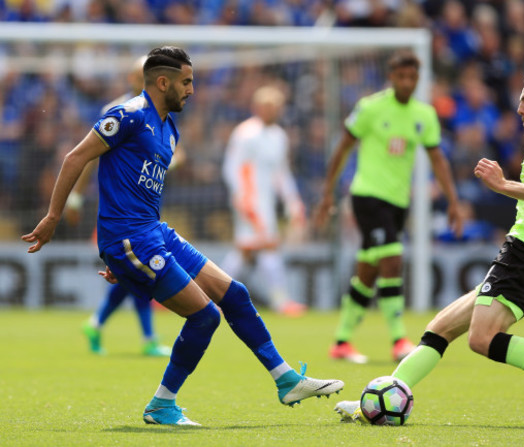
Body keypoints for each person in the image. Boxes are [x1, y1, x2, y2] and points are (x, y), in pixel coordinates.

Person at [22, 46, 344, 426]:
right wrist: (54, 217)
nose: (192, 90)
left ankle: (286, 379)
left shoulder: (169, 130)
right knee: (205, 316)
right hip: (129, 238)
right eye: (186, 82)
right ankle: (161, 405)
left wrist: (127, 264)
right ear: (163, 82)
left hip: (152, 233)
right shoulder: (127, 115)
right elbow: (75, 158)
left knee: (235, 294)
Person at [333, 71, 524, 428]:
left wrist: (503, 184)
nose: (520, 108)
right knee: (440, 328)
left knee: (481, 339)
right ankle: (378, 401)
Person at [315, 50, 463, 364]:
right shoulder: (370, 108)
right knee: (393, 260)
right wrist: (327, 192)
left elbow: (437, 158)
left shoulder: (424, 115)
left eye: (413, 77)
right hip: (367, 195)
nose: (407, 82)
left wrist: (453, 200)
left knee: (369, 271)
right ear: (392, 77)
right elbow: (342, 148)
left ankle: (341, 341)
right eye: (402, 77)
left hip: (399, 202)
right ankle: (399, 339)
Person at [66, 55, 176, 357]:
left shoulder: (161, 116)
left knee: (135, 273)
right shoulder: (119, 112)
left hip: (145, 208)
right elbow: (87, 156)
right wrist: (75, 197)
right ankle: (146, 338)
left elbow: (172, 153)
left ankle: (99, 323)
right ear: (133, 79)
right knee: (137, 271)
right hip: (120, 212)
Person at [220, 85, 307, 317]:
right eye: (267, 106)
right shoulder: (245, 133)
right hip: (248, 200)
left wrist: (292, 201)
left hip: (265, 202)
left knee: (245, 251)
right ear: (256, 107)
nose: (272, 111)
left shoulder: (279, 136)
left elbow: (281, 173)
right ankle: (281, 301)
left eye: (276, 107)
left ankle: (212, 297)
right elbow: (231, 168)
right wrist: (241, 197)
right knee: (268, 247)